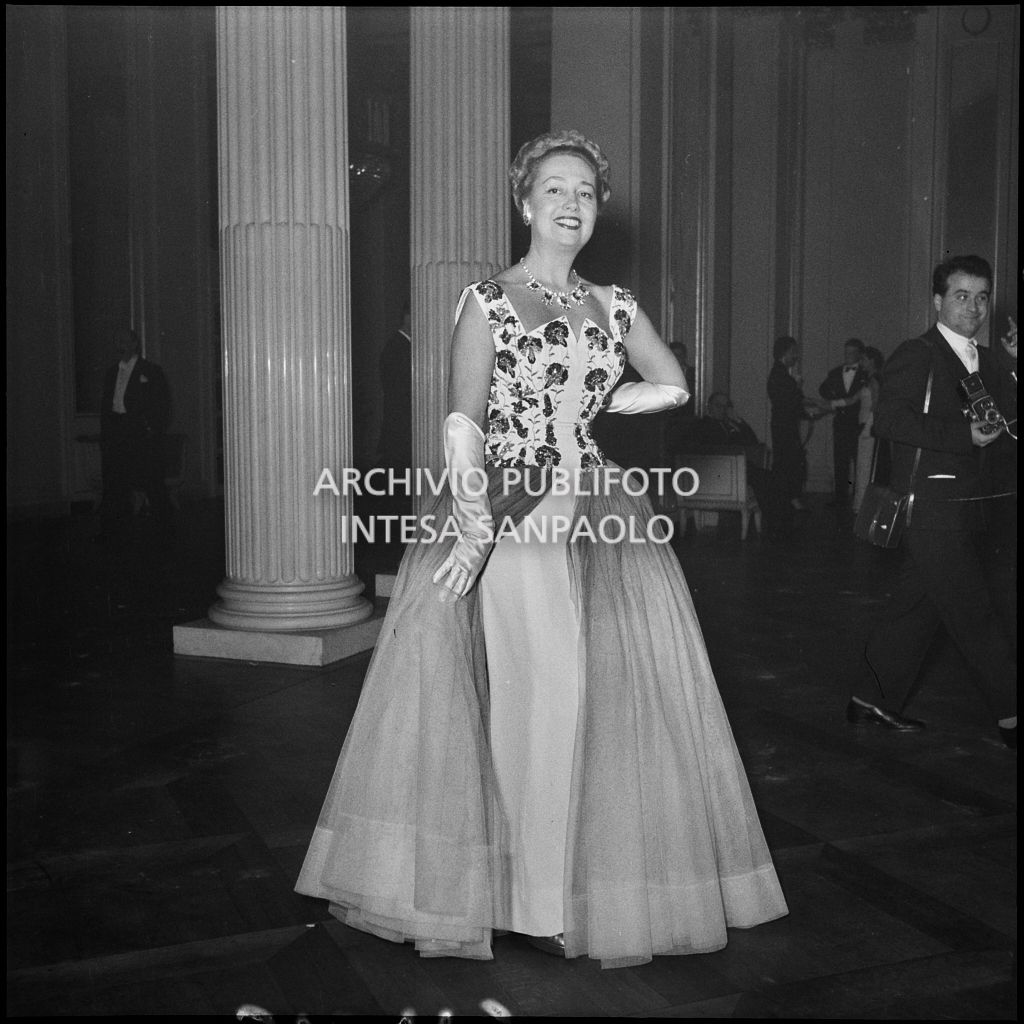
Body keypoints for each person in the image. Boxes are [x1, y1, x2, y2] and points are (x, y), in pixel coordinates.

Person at [296, 129, 788, 967]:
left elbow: (674, 384)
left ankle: (554, 894)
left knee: (592, 695)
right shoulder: (487, 301)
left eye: (586, 192)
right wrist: (475, 526)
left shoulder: (615, 304)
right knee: (539, 692)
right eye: (555, 188)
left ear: (598, 210)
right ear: (524, 203)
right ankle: (524, 897)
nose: (571, 203)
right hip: (513, 508)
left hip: (595, 506)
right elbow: (462, 421)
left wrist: (598, 411)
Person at [847, 255, 1017, 749]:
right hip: (931, 507)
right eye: (962, 296)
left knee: (916, 608)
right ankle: (1011, 713)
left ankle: (869, 699)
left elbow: (1006, 427)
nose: (974, 308)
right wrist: (963, 435)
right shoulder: (918, 353)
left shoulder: (988, 361)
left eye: (982, 297)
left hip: (968, 503)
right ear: (938, 301)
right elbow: (889, 421)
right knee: (974, 612)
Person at [99, 327, 171, 542]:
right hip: (117, 434)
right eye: (117, 341)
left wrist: (151, 430)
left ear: (134, 344)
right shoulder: (111, 372)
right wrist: (107, 435)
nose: (120, 345)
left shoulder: (150, 370)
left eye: (124, 341)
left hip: (141, 436)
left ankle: (164, 534)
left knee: (152, 483)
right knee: (115, 485)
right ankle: (115, 534)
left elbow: (163, 405)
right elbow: (107, 406)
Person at [767, 336, 828, 524]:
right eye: (793, 352)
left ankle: (788, 499)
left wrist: (815, 404)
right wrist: (809, 410)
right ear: (785, 353)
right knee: (789, 462)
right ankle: (788, 500)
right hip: (784, 426)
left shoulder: (781, 374)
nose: (796, 356)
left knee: (789, 461)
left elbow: (795, 400)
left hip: (783, 425)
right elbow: (791, 402)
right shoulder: (781, 376)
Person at [819, 338, 869, 508]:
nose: (848, 356)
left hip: (858, 423)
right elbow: (823, 390)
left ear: (859, 354)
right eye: (846, 352)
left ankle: (858, 498)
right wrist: (834, 397)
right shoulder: (835, 373)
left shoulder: (865, 373)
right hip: (840, 423)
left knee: (860, 462)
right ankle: (840, 498)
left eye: (852, 353)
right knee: (840, 462)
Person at [375, 301, 413, 473]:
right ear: (406, 317)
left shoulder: (401, 346)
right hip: (400, 427)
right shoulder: (397, 348)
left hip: (399, 427)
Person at [850, 346, 885, 514]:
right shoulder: (870, 378)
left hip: (868, 426)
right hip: (866, 425)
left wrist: (870, 425)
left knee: (865, 465)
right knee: (863, 464)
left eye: (863, 359)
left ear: (872, 361)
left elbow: (876, 405)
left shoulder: (874, 379)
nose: (861, 362)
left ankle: (863, 505)